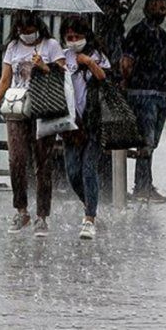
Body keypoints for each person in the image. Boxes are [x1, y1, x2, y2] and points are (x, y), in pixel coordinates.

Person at [0, 11, 66, 237]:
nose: (26, 35)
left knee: (43, 163)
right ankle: (21, 210)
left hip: (43, 109)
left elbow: (63, 76)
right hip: (18, 109)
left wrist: (44, 67)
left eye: (30, 31)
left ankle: (42, 215)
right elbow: (5, 79)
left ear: (37, 27)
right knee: (16, 159)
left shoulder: (51, 46)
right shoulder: (12, 47)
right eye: (22, 31)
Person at [60, 16, 110, 240]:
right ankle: (90, 202)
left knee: (88, 168)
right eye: (69, 37)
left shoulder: (97, 55)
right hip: (71, 124)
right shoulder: (63, 56)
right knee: (72, 172)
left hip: (93, 122)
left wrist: (88, 62)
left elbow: (104, 77)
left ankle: (89, 218)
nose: (73, 41)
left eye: (77, 37)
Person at [121, 0, 166, 204]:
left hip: (159, 94)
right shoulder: (137, 33)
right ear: (147, 9)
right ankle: (142, 186)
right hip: (142, 94)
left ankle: (145, 183)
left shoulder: (162, 35)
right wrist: (127, 82)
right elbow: (126, 62)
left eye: (164, 8)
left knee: (152, 141)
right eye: (158, 7)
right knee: (145, 141)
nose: (162, 12)